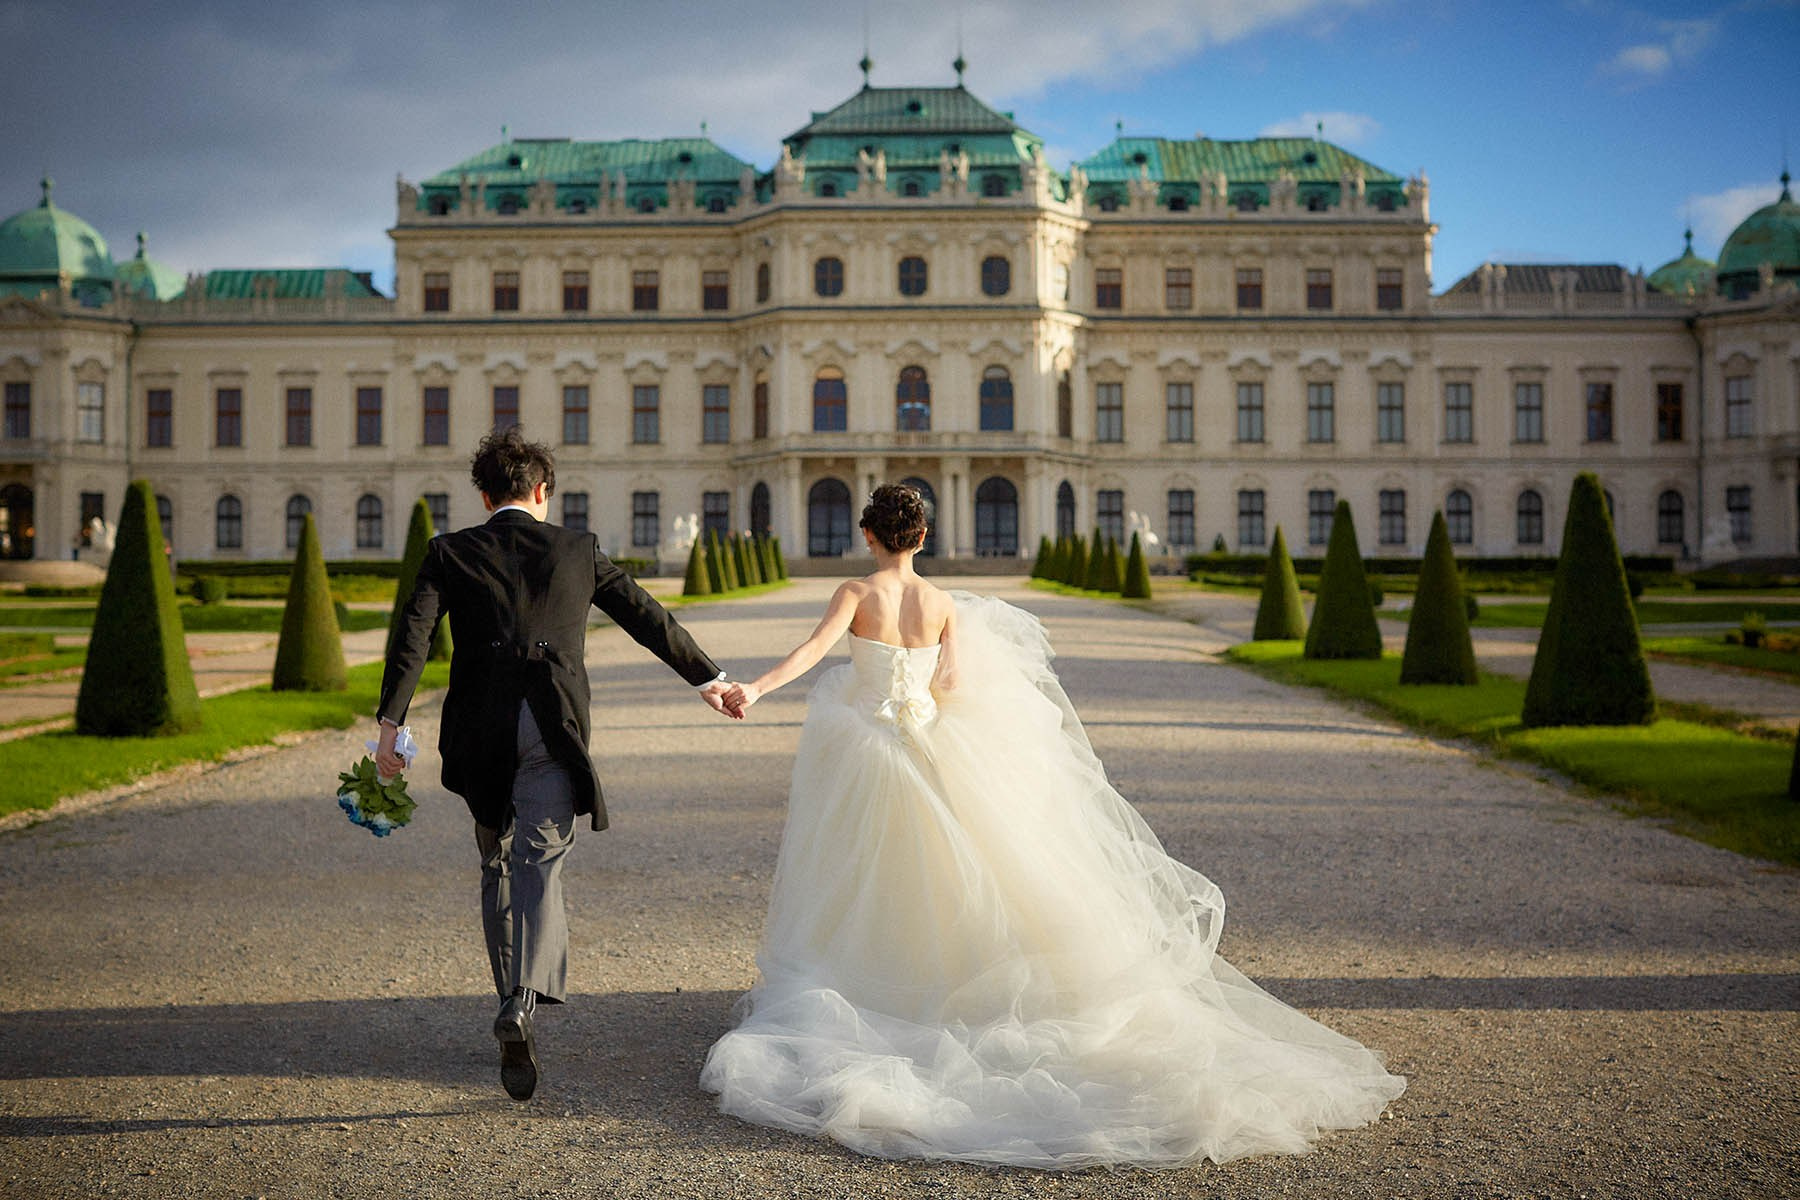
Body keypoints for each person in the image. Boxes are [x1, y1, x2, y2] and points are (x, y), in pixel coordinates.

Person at [700, 484, 1405, 1168]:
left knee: (867, 878)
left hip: (865, 747)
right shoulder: (942, 602)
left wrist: (754, 689)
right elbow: (953, 686)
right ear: (923, 537)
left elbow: (813, 653)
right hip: (934, 745)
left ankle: (874, 989)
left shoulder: (855, 594)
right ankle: (962, 990)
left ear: (867, 535)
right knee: (964, 876)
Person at [376, 427, 738, 1102]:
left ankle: (511, 996)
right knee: (540, 859)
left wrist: (390, 728)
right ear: (543, 491)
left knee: (495, 863)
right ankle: (522, 1001)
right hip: (551, 723)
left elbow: (413, 639)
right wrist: (707, 678)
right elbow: (645, 615)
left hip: (480, 732)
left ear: (484, 496)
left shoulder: (448, 551)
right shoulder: (578, 549)